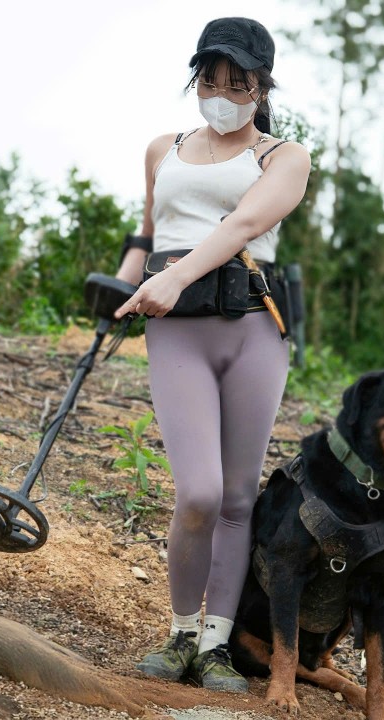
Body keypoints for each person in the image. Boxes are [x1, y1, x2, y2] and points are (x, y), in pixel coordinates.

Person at [112, 17, 311, 692]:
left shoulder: (283, 157)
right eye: (210, 79)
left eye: (238, 82)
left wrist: (174, 277)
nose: (221, 94)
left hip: (253, 329)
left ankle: (216, 645)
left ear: (262, 87)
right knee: (198, 491)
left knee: (236, 496)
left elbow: (244, 224)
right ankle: (180, 632)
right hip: (178, 331)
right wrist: (123, 284)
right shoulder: (162, 149)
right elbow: (149, 231)